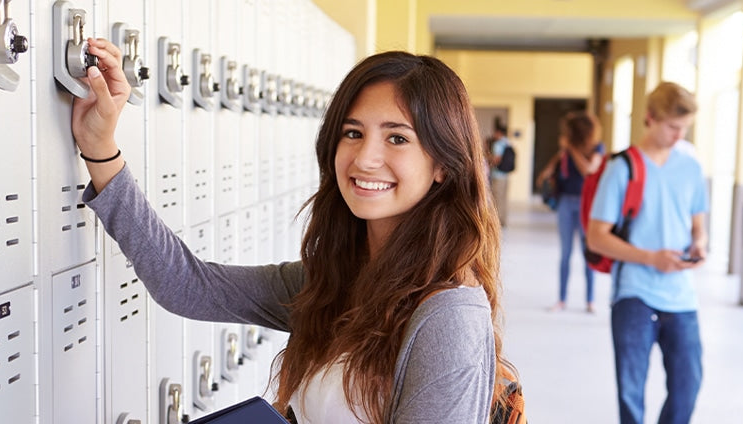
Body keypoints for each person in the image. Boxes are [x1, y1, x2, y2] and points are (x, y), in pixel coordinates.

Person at [71, 39, 511, 423]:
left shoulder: (449, 316)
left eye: (397, 138)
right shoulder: (337, 281)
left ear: (442, 165)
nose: (365, 158)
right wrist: (101, 149)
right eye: (352, 133)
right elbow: (189, 285)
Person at [586, 82, 708, 424]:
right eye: (672, 126)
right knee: (631, 393)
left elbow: (698, 220)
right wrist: (652, 258)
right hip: (635, 293)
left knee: (688, 387)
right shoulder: (622, 168)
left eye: (684, 128)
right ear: (650, 118)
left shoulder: (690, 166)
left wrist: (700, 242)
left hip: (681, 296)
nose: (679, 135)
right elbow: (597, 237)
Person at [535, 111, 604, 313]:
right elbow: (556, 163)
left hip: (586, 204)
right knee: (565, 253)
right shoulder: (566, 149)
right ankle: (562, 299)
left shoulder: (597, 148)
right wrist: (546, 173)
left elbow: (589, 170)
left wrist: (571, 149)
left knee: (588, 251)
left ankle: (590, 300)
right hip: (565, 202)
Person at [489, 123, 513, 226]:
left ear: (499, 133)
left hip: (497, 176)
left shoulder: (498, 144)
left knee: (496, 199)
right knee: (503, 199)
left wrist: (488, 161)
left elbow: (496, 159)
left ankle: (496, 222)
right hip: (506, 175)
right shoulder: (508, 143)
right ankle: (503, 220)